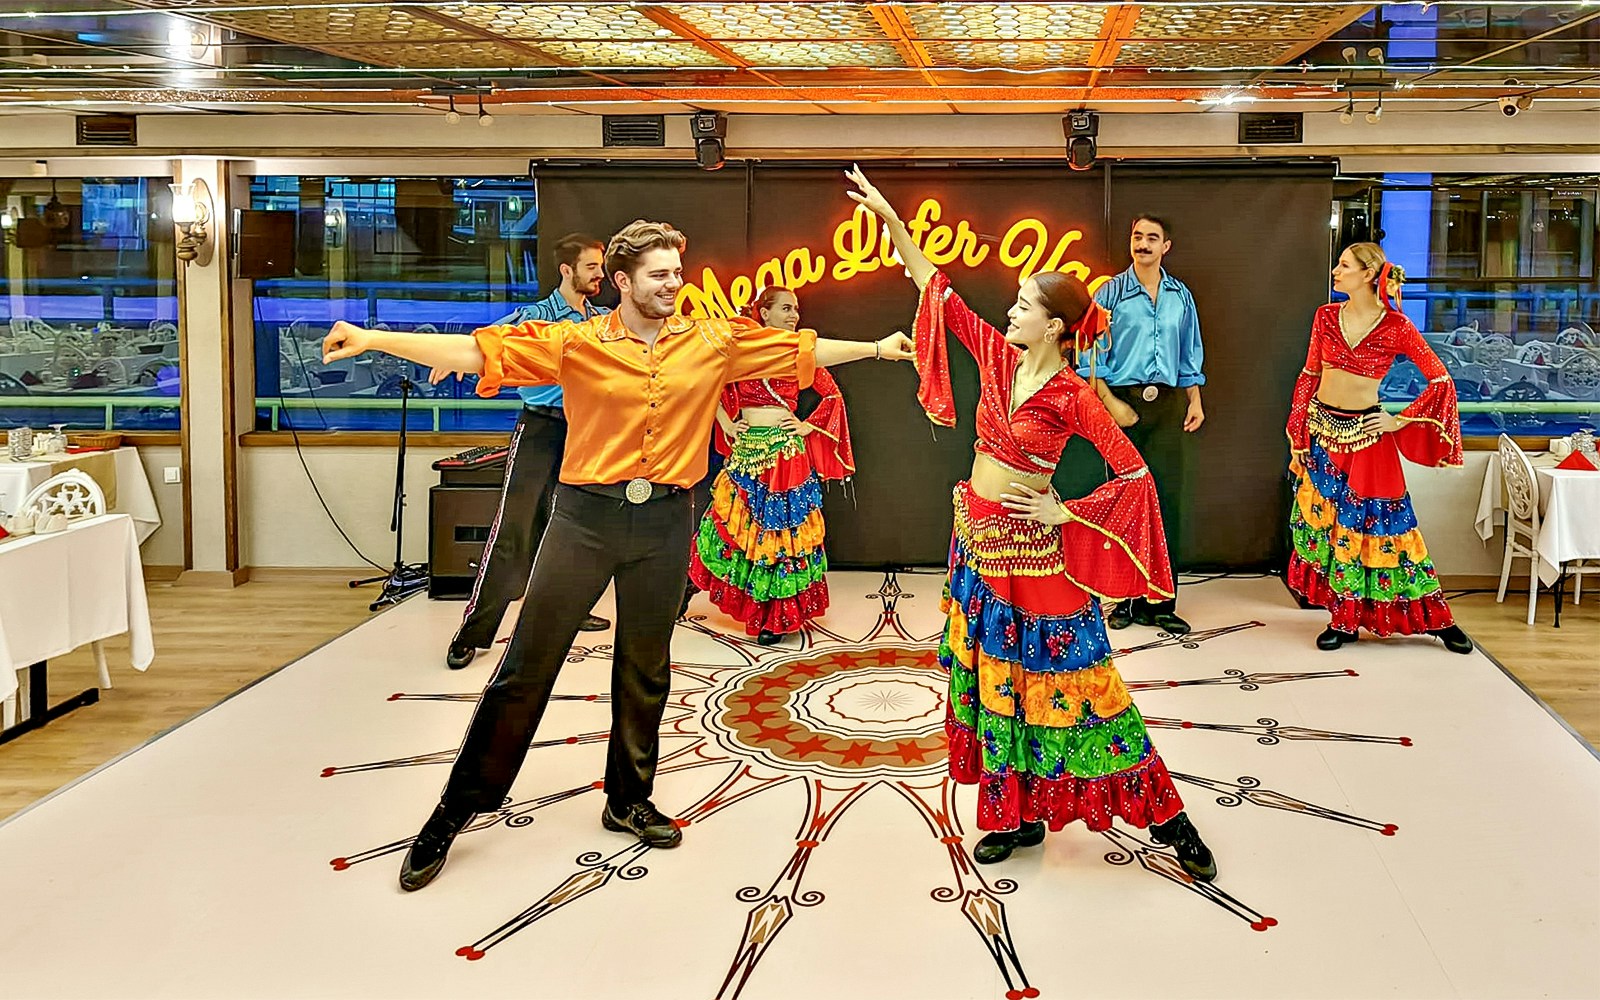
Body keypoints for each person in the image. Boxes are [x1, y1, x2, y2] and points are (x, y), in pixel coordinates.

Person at [321, 220, 914, 892]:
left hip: (666, 520)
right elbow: (478, 354)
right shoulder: (576, 342)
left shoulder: (710, 340)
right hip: (586, 520)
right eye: (659, 274)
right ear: (625, 283)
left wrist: (875, 347)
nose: (673, 284)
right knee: (525, 669)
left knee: (645, 668)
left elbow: (793, 350)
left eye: (676, 273)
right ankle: (454, 810)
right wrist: (372, 338)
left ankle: (627, 798)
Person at [844, 166, 1216, 880]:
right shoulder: (993, 355)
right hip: (979, 545)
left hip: (1039, 556)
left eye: (1022, 306)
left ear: (1054, 325)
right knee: (999, 683)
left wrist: (1065, 509)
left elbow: (1133, 474)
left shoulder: (1075, 396)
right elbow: (935, 286)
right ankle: (1017, 813)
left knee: (1078, 683)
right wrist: (891, 217)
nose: (1009, 312)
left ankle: (1169, 818)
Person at [1285, 243, 1473, 655]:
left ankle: (1436, 619)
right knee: (1336, 531)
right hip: (1323, 434)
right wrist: (1298, 436)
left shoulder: (1396, 326)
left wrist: (1397, 420)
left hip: (1369, 439)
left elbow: (1441, 382)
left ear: (1370, 275)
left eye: (1344, 266)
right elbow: (1308, 376)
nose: (1336, 271)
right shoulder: (1325, 317)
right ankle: (1344, 619)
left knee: (1387, 531)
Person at [445, 233, 611, 672]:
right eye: (592, 266)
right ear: (567, 270)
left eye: (601, 266)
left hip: (586, 432)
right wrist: (462, 356)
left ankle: (572, 610)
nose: (600, 274)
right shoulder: (536, 317)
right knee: (513, 529)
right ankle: (474, 633)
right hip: (540, 428)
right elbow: (492, 340)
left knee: (579, 530)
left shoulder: (604, 319)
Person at [690, 286, 855, 645]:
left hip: (785, 456)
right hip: (747, 449)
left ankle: (773, 617)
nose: (794, 315)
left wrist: (806, 424)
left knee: (779, 537)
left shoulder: (800, 353)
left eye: (795, 309)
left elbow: (832, 395)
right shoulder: (743, 351)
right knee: (733, 524)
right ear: (763, 313)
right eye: (785, 308)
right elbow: (710, 385)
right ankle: (700, 587)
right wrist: (727, 423)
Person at [1076, 215, 1205, 636]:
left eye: (1152, 238)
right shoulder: (1108, 293)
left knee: (1166, 502)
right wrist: (1111, 403)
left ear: (1166, 246)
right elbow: (1087, 356)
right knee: (1126, 503)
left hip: (1167, 405)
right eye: (1137, 237)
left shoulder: (1180, 296)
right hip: (1122, 403)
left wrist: (1194, 400)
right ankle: (1127, 598)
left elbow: (1189, 354)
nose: (1143, 244)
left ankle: (1161, 603)